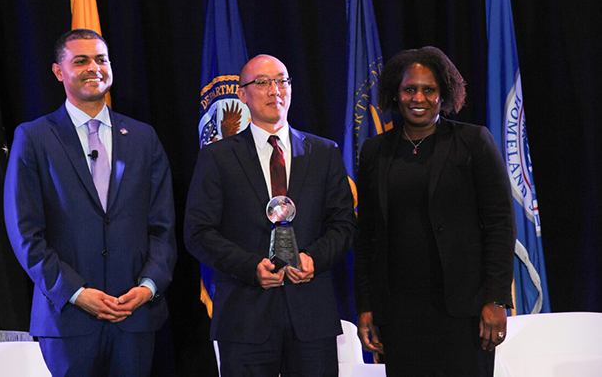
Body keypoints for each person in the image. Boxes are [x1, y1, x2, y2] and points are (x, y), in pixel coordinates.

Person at [4, 29, 177, 376]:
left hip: (135, 317)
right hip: (68, 320)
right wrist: (76, 292)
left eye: (101, 59)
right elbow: (25, 233)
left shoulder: (143, 137)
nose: (93, 67)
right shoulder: (34, 137)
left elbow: (163, 226)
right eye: (80, 60)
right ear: (58, 71)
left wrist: (148, 286)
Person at [184, 54, 357, 376]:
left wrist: (312, 258)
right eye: (262, 83)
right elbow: (198, 232)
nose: (274, 90)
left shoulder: (324, 153)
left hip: (311, 317)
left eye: (281, 81)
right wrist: (251, 267)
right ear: (242, 94)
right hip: (244, 316)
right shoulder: (217, 157)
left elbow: (344, 224)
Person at [353, 46, 516, 376]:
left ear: (444, 95)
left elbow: (500, 224)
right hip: (398, 312)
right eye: (409, 89)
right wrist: (367, 305)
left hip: (463, 308)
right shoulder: (375, 151)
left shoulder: (473, 142)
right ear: (396, 95)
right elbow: (366, 236)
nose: (419, 98)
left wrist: (497, 299)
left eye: (429, 90)